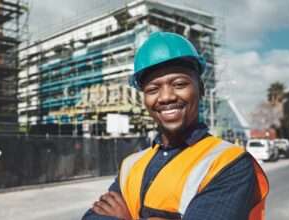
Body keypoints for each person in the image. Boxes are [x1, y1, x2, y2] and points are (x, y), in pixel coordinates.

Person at [82, 32, 269, 220]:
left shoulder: (229, 163)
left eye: (179, 84)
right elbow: (92, 217)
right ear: (145, 99)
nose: (166, 97)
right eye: (153, 89)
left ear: (201, 89)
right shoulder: (131, 165)